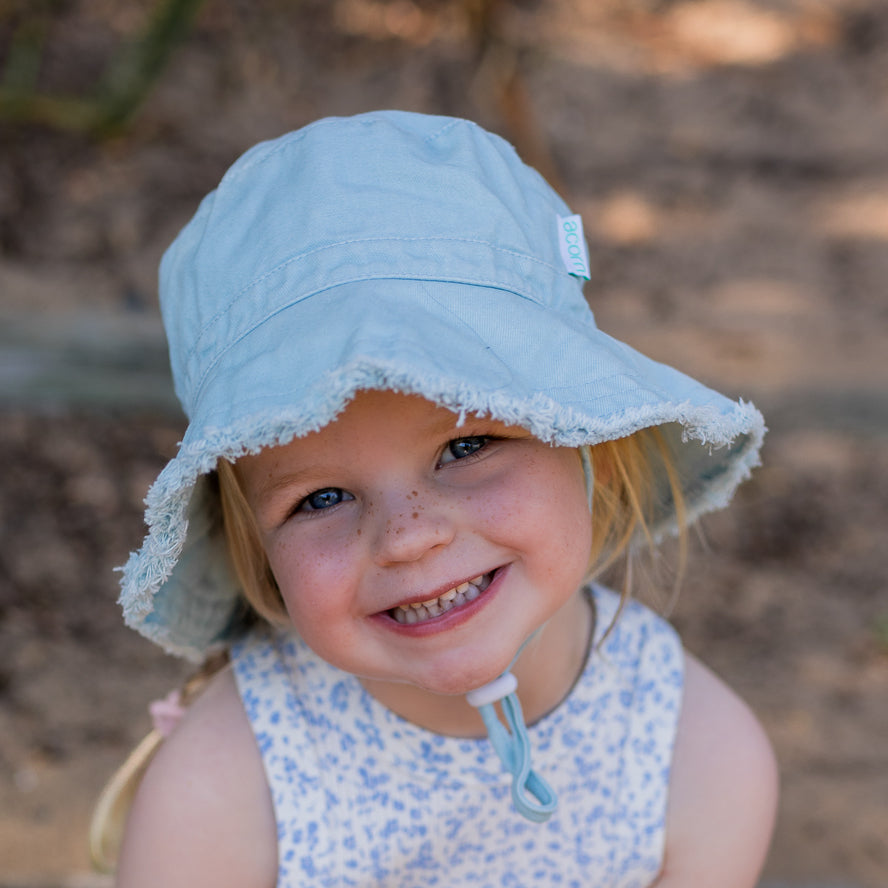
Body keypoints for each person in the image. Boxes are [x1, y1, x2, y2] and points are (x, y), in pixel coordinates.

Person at [101, 111, 777, 887]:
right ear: (259, 548)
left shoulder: (691, 757)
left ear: (590, 445)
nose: (407, 538)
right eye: (321, 499)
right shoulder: (225, 788)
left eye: (465, 447)